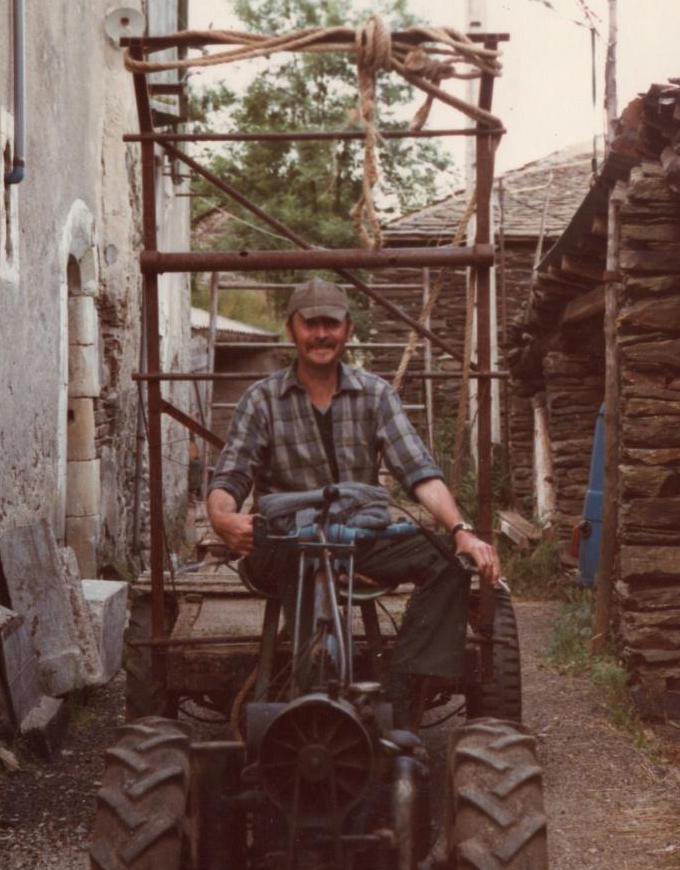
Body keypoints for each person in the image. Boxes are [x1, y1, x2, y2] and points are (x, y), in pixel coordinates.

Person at [206, 276, 501, 725]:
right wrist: (221, 518)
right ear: (292, 330)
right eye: (311, 324)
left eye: (331, 323)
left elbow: (419, 472)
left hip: (359, 539)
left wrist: (461, 532)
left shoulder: (376, 394)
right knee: (306, 556)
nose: (321, 334)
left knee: (447, 561)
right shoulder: (261, 400)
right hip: (286, 543)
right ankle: (312, 701)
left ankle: (403, 695)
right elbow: (231, 475)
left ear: (348, 330)